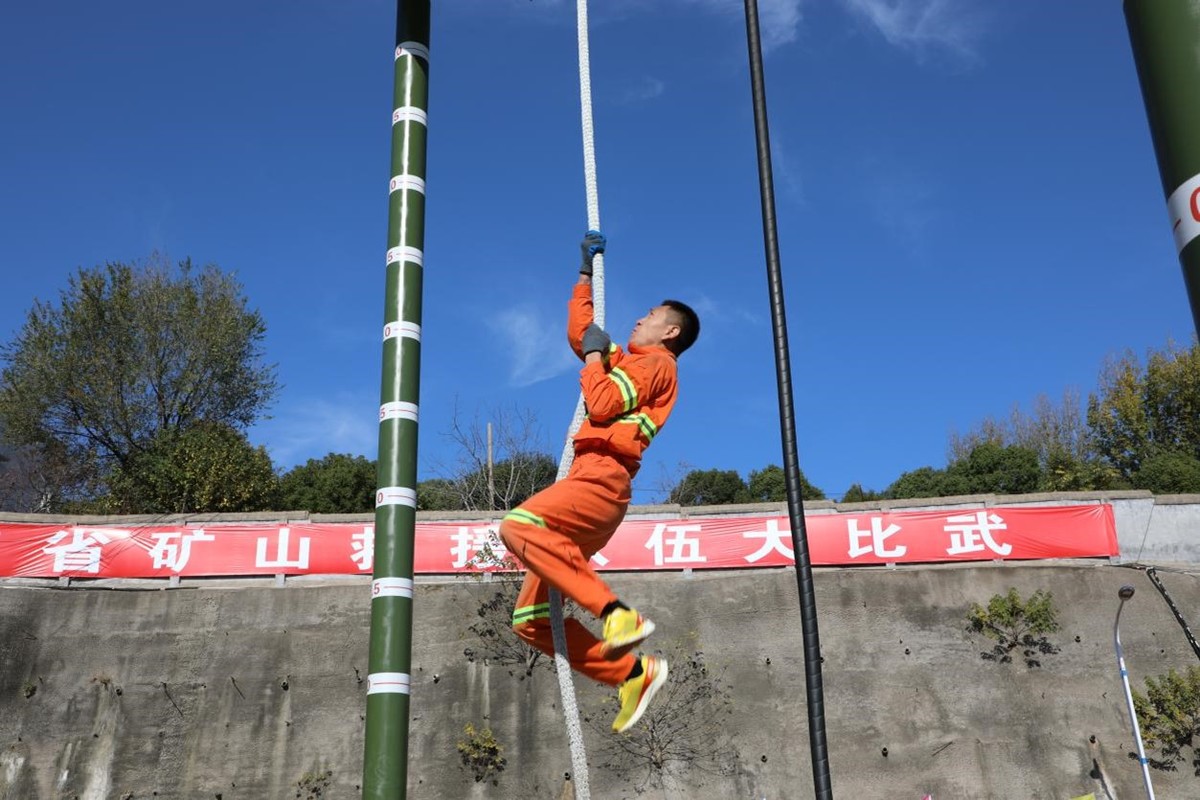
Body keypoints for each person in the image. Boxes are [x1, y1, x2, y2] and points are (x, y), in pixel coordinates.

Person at [498, 230, 700, 734]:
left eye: (651, 315)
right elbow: (581, 333)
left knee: (518, 526)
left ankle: (616, 613)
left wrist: (593, 358)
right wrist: (584, 277)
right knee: (530, 622)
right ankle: (631, 672)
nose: (638, 318)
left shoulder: (656, 365)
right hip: (591, 484)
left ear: (670, 332)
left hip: (600, 481)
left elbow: (603, 403)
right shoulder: (631, 360)